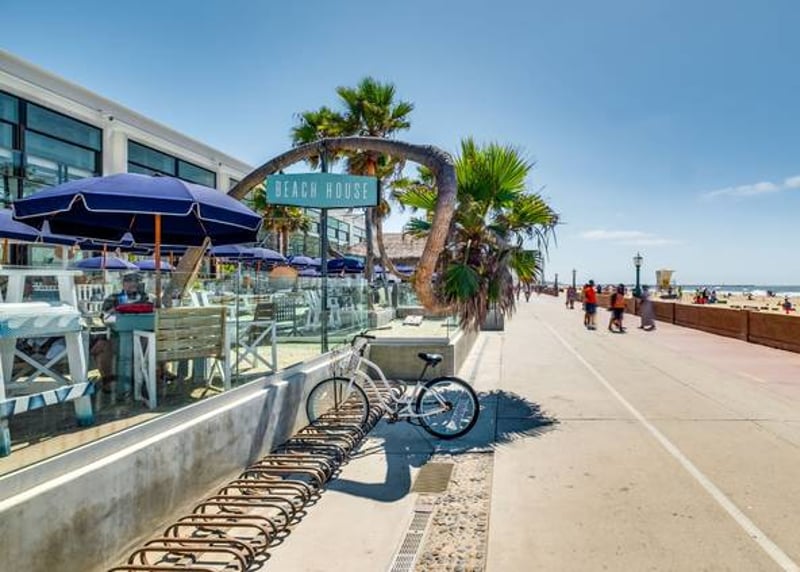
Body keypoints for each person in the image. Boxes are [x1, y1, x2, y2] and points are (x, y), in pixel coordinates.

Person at [91, 273, 151, 393]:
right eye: (128, 280)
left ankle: (157, 376)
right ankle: (108, 381)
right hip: (118, 336)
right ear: (122, 283)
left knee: (155, 341)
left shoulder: (147, 298)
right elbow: (104, 318)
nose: (133, 283)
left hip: (143, 337)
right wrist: (116, 310)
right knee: (102, 346)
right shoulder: (113, 298)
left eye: (136, 280)